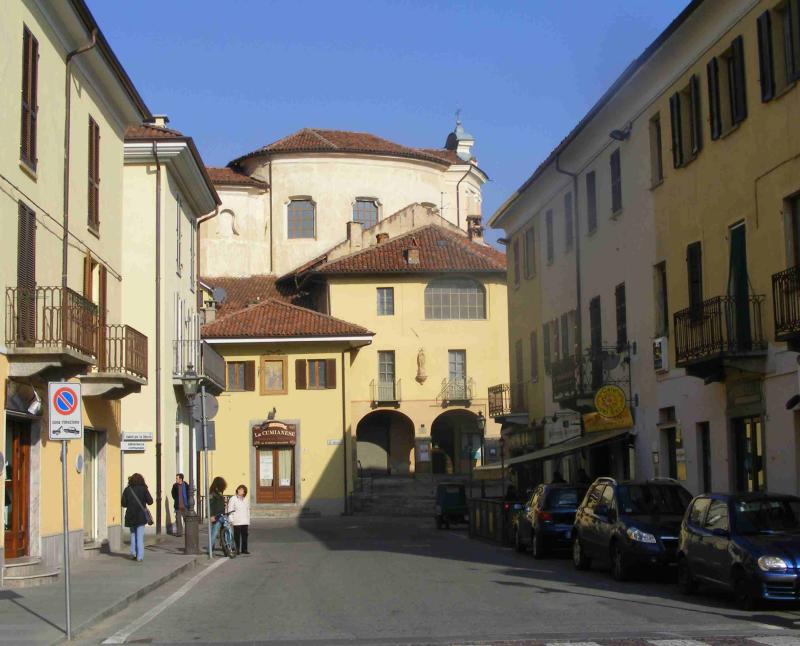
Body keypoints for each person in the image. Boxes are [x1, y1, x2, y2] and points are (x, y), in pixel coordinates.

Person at [121, 473, 153, 562]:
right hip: (141, 516)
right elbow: (150, 501)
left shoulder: (127, 490)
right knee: (140, 536)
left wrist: (130, 503)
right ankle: (140, 557)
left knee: (133, 535)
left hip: (131, 516)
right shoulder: (144, 489)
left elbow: (123, 504)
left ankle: (133, 553)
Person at [227, 484, 250, 554]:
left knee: (245, 536)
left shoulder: (246, 499)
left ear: (244, 492)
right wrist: (231, 519)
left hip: (244, 520)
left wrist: (248, 520)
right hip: (237, 521)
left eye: (242, 490)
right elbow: (230, 509)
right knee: (237, 536)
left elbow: (247, 510)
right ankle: (237, 549)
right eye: (239, 489)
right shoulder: (233, 499)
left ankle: (244, 549)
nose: (240, 491)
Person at [208, 476, 227, 550]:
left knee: (226, 530)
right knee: (214, 532)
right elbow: (211, 505)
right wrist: (212, 515)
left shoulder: (219, 492)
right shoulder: (213, 493)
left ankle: (226, 545)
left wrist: (224, 504)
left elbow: (219, 503)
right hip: (216, 515)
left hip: (222, 514)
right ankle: (210, 549)